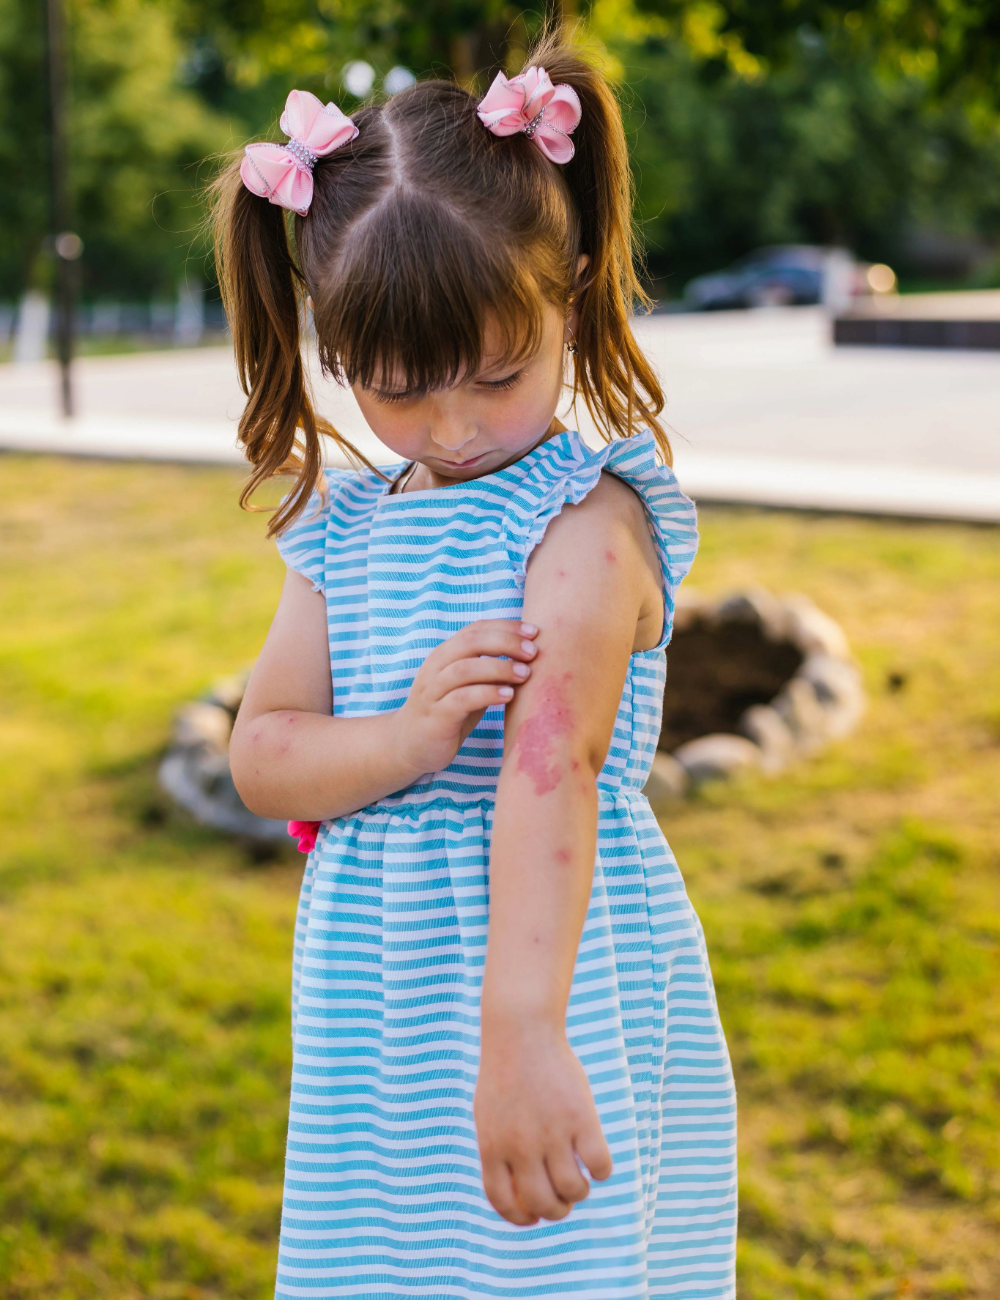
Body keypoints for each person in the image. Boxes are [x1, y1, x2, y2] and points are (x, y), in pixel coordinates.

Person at [212, 31, 736, 1300]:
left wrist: (523, 1029)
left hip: (547, 978)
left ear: (571, 292)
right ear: (335, 349)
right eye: (395, 389)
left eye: (497, 373)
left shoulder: (583, 521)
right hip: (382, 1000)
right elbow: (263, 756)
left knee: (557, 1270)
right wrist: (404, 738)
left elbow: (550, 770)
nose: (450, 429)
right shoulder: (344, 528)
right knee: (392, 1267)